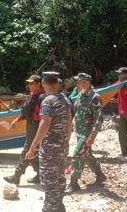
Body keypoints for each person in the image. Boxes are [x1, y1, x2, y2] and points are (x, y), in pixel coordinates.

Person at [25, 72, 73, 212]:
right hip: (62, 145)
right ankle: (59, 206)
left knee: (49, 181)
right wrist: (66, 140)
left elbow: (44, 124)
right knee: (59, 178)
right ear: (57, 83)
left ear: (44, 84)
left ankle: (50, 208)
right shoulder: (65, 99)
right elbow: (70, 122)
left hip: (50, 147)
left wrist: (33, 147)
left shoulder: (48, 100)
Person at [65, 73, 106, 195]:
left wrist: (92, 136)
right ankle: (100, 175)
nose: (76, 84)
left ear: (86, 82)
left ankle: (73, 183)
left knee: (77, 155)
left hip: (87, 133)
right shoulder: (80, 95)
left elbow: (99, 118)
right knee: (87, 155)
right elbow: (77, 112)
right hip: (79, 132)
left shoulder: (95, 97)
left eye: (79, 82)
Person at [3, 74, 46, 185]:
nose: (30, 85)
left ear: (39, 84)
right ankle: (40, 175)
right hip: (30, 126)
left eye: (32, 83)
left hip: (37, 127)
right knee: (33, 151)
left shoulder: (42, 97)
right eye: (29, 83)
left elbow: (44, 117)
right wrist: (17, 119)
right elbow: (27, 112)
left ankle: (16, 176)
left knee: (27, 150)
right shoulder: (32, 96)